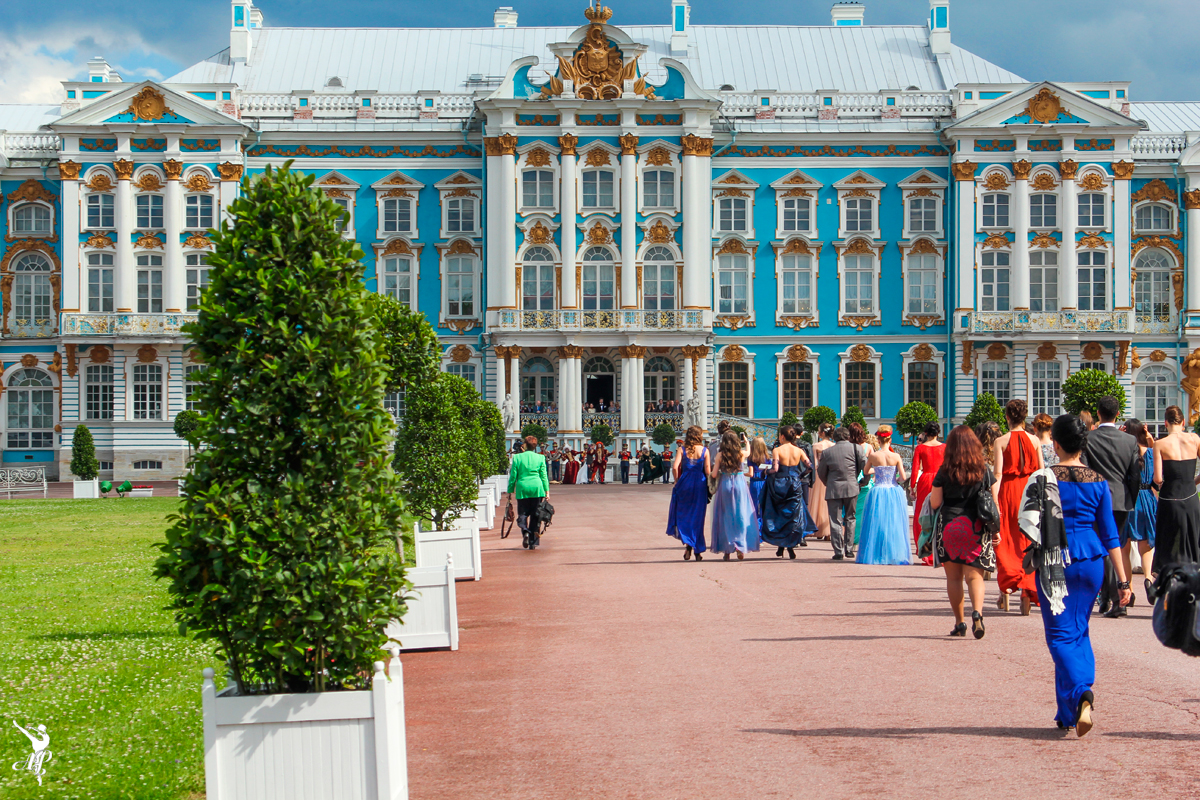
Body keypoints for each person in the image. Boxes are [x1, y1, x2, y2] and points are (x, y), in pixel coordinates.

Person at [1022, 415, 1131, 736]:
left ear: (1054, 443)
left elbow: (1029, 522)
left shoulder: (1044, 477)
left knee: (1058, 635)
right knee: (1078, 630)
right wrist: (1123, 581)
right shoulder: (1097, 480)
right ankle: (1067, 712)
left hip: (1056, 558)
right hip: (1091, 559)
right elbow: (1111, 535)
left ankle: (1083, 690)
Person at [929, 425, 997, 638]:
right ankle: (977, 612)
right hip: (976, 525)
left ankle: (960, 623)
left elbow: (935, 502)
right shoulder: (984, 470)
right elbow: (994, 503)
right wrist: (996, 531)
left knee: (954, 578)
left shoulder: (945, 470)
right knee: (975, 576)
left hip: (950, 524)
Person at [1083, 396, 1142, 619]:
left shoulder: (1088, 438)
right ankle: (1111, 597)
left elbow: (1086, 471)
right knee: (1114, 546)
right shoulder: (1129, 441)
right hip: (1121, 499)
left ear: (1098, 413)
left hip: (1097, 499)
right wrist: (1131, 499)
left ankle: (1112, 598)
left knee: (1104, 550)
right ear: (1117, 414)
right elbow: (1134, 475)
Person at [993, 399, 1043, 615]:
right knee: (1028, 539)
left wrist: (995, 501)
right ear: (1025, 417)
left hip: (1008, 492)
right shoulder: (1035, 440)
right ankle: (1026, 590)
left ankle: (1006, 589)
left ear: (1007, 416)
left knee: (1007, 541)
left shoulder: (1001, 441)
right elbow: (1041, 471)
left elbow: (997, 474)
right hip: (1030, 492)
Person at [1152, 405, 1200, 578]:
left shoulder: (1160, 444)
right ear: (1184, 422)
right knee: (1193, 541)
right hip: (1191, 496)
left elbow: (1158, 478)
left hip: (1169, 498)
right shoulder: (1194, 439)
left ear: (1166, 423)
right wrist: (1192, 482)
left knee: (1168, 543)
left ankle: (1167, 581)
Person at [856, 424, 910, 565]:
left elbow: (866, 471)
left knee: (877, 522)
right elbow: (903, 477)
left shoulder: (874, 455)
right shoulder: (896, 456)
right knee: (894, 522)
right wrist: (894, 478)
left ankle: (877, 552)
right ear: (890, 440)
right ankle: (893, 552)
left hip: (878, 490)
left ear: (878, 440)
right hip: (893, 490)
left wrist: (878, 471)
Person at [760, 426, 816, 558]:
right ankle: (789, 546)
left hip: (780, 484)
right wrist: (800, 475)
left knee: (779, 514)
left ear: (783, 436)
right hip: (795, 484)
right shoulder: (799, 450)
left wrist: (765, 472)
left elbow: (775, 468)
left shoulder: (777, 450)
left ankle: (781, 545)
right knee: (792, 515)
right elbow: (810, 466)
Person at [709, 431, 761, 560]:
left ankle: (727, 549)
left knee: (726, 516)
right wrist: (747, 442)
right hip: (739, 483)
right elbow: (748, 452)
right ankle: (740, 545)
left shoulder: (720, 455)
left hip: (725, 483)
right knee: (741, 515)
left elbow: (714, 474)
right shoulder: (741, 453)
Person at [1121, 419, 1157, 604]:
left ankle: (1130, 590)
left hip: (1129, 498)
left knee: (1124, 547)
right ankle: (1149, 579)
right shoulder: (1151, 452)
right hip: (1146, 498)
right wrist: (1150, 438)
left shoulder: (1125, 451)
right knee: (1146, 546)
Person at [816, 427, 866, 561]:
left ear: (834, 438)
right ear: (848, 437)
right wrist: (863, 481)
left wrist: (829, 482)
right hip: (852, 486)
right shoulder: (857, 449)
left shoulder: (827, 452)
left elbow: (821, 472)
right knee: (850, 517)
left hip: (834, 488)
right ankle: (849, 549)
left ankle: (838, 550)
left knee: (835, 520)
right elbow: (865, 466)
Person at [666, 425, 711, 561]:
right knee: (698, 518)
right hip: (699, 484)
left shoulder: (682, 449)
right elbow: (708, 471)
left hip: (685, 482)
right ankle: (697, 551)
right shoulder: (705, 450)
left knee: (684, 515)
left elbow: (675, 467)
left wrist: (676, 480)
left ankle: (688, 547)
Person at [505, 435, 550, 550]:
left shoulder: (517, 458)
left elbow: (513, 476)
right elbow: (544, 476)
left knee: (523, 513)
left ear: (525, 445)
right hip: (537, 488)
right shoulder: (540, 458)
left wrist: (510, 490)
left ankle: (525, 531)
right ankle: (532, 541)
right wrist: (547, 491)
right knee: (536, 515)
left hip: (522, 487)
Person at [910, 421, 945, 563]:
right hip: (942, 479)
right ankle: (941, 549)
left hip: (926, 480)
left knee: (922, 513)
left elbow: (915, 469)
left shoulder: (920, 448)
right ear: (938, 433)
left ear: (925, 434)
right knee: (942, 513)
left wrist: (912, 487)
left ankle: (926, 550)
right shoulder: (945, 447)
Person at [849, 423, 874, 551]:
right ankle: (860, 539)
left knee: (849, 512)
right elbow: (872, 464)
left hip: (852, 480)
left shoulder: (848, 447)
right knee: (863, 513)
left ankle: (851, 540)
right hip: (865, 482)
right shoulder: (868, 447)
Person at [810, 423, 835, 540]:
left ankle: (817, 528)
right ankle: (829, 531)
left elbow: (815, 464)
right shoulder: (833, 445)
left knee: (817, 502)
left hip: (819, 475)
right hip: (831, 474)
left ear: (822, 433)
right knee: (829, 502)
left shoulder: (816, 445)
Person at [747, 436, 772, 529]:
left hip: (755, 483)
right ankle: (763, 529)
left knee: (754, 507)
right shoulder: (768, 458)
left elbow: (751, 473)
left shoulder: (751, 458)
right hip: (764, 482)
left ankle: (756, 529)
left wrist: (741, 474)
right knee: (763, 507)